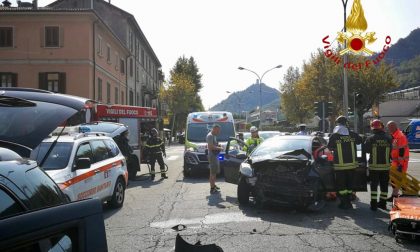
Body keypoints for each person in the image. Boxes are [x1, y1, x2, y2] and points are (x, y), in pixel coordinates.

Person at [327, 116, 362, 209]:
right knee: (350, 184)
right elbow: (360, 141)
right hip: (352, 165)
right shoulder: (353, 134)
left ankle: (344, 203)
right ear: (346, 124)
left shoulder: (334, 136)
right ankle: (349, 202)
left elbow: (329, 147)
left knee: (341, 186)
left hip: (340, 166)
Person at [364, 119, 392, 211]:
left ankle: (374, 205)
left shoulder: (370, 138)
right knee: (384, 186)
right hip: (386, 167)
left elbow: (366, 150)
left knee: (374, 186)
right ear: (381, 127)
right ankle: (383, 204)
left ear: (373, 128)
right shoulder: (389, 138)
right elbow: (392, 151)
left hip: (374, 167)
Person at [386, 121, 409, 201]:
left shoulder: (400, 136)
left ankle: (395, 195)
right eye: (388, 127)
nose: (389, 129)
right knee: (394, 178)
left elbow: (402, 150)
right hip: (396, 161)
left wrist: (400, 164)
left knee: (398, 178)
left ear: (394, 126)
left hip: (401, 162)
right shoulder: (395, 135)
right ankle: (398, 194)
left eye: (390, 127)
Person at [207, 124, 223, 194]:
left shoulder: (214, 135)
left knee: (215, 172)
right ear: (214, 129)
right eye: (218, 130)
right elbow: (210, 147)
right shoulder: (210, 136)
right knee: (212, 173)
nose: (219, 132)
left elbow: (214, 145)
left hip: (215, 155)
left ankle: (214, 185)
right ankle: (212, 188)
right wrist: (220, 148)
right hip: (212, 156)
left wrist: (218, 145)